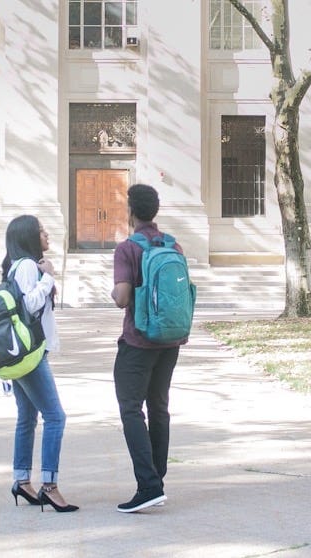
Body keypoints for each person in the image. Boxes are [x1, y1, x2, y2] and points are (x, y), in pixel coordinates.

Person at [110, 184, 187, 513]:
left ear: (130, 211)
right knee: (159, 408)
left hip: (138, 341)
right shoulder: (174, 245)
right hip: (170, 340)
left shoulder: (128, 249)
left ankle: (148, 485)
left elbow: (123, 297)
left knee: (130, 409)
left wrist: (114, 292)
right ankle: (157, 479)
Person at [2, 215, 78, 513]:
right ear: (29, 237)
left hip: (21, 352)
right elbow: (29, 305)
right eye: (41, 230)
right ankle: (49, 486)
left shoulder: (16, 266)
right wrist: (48, 277)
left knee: (27, 417)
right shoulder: (27, 267)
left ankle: (22, 480)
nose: (47, 234)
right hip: (30, 354)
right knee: (55, 417)